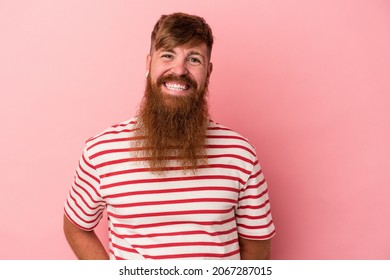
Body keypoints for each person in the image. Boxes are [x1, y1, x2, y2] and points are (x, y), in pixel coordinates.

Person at [63, 12, 275, 260]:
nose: (180, 70)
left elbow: (257, 242)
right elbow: (76, 226)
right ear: (148, 64)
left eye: (194, 59)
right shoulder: (101, 152)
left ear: (208, 71)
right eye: (167, 55)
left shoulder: (239, 153)